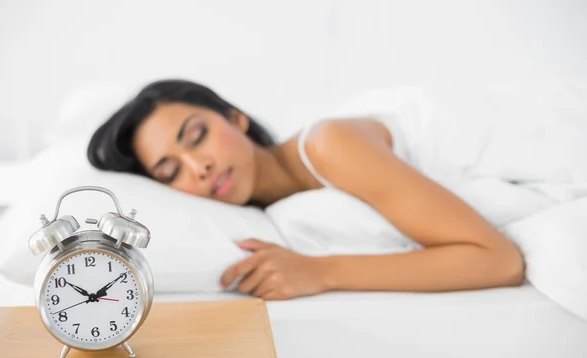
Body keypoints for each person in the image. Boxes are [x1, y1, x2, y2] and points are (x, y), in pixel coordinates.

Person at [87, 79, 525, 300]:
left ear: (235, 117)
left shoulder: (328, 144)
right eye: (169, 172)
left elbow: (499, 260)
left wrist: (321, 271)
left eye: (197, 135)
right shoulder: (283, 214)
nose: (197, 167)